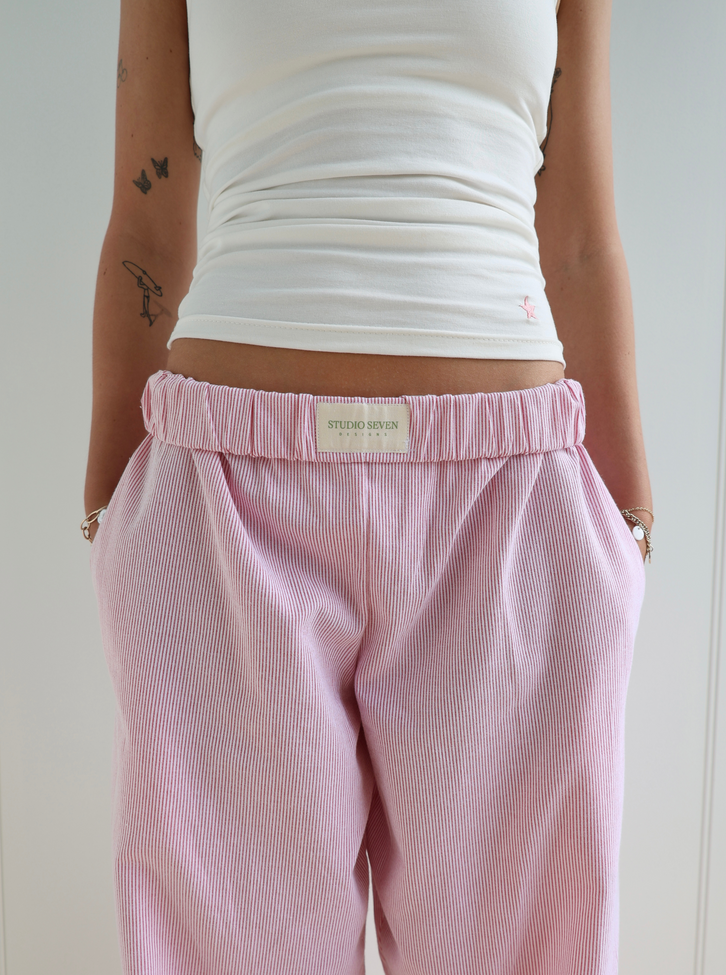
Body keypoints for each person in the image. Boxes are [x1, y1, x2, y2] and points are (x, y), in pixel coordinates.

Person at [83, 0, 653, 970]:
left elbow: (581, 239)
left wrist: (627, 524)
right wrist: (111, 514)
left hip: (513, 506)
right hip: (223, 504)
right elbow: (145, 223)